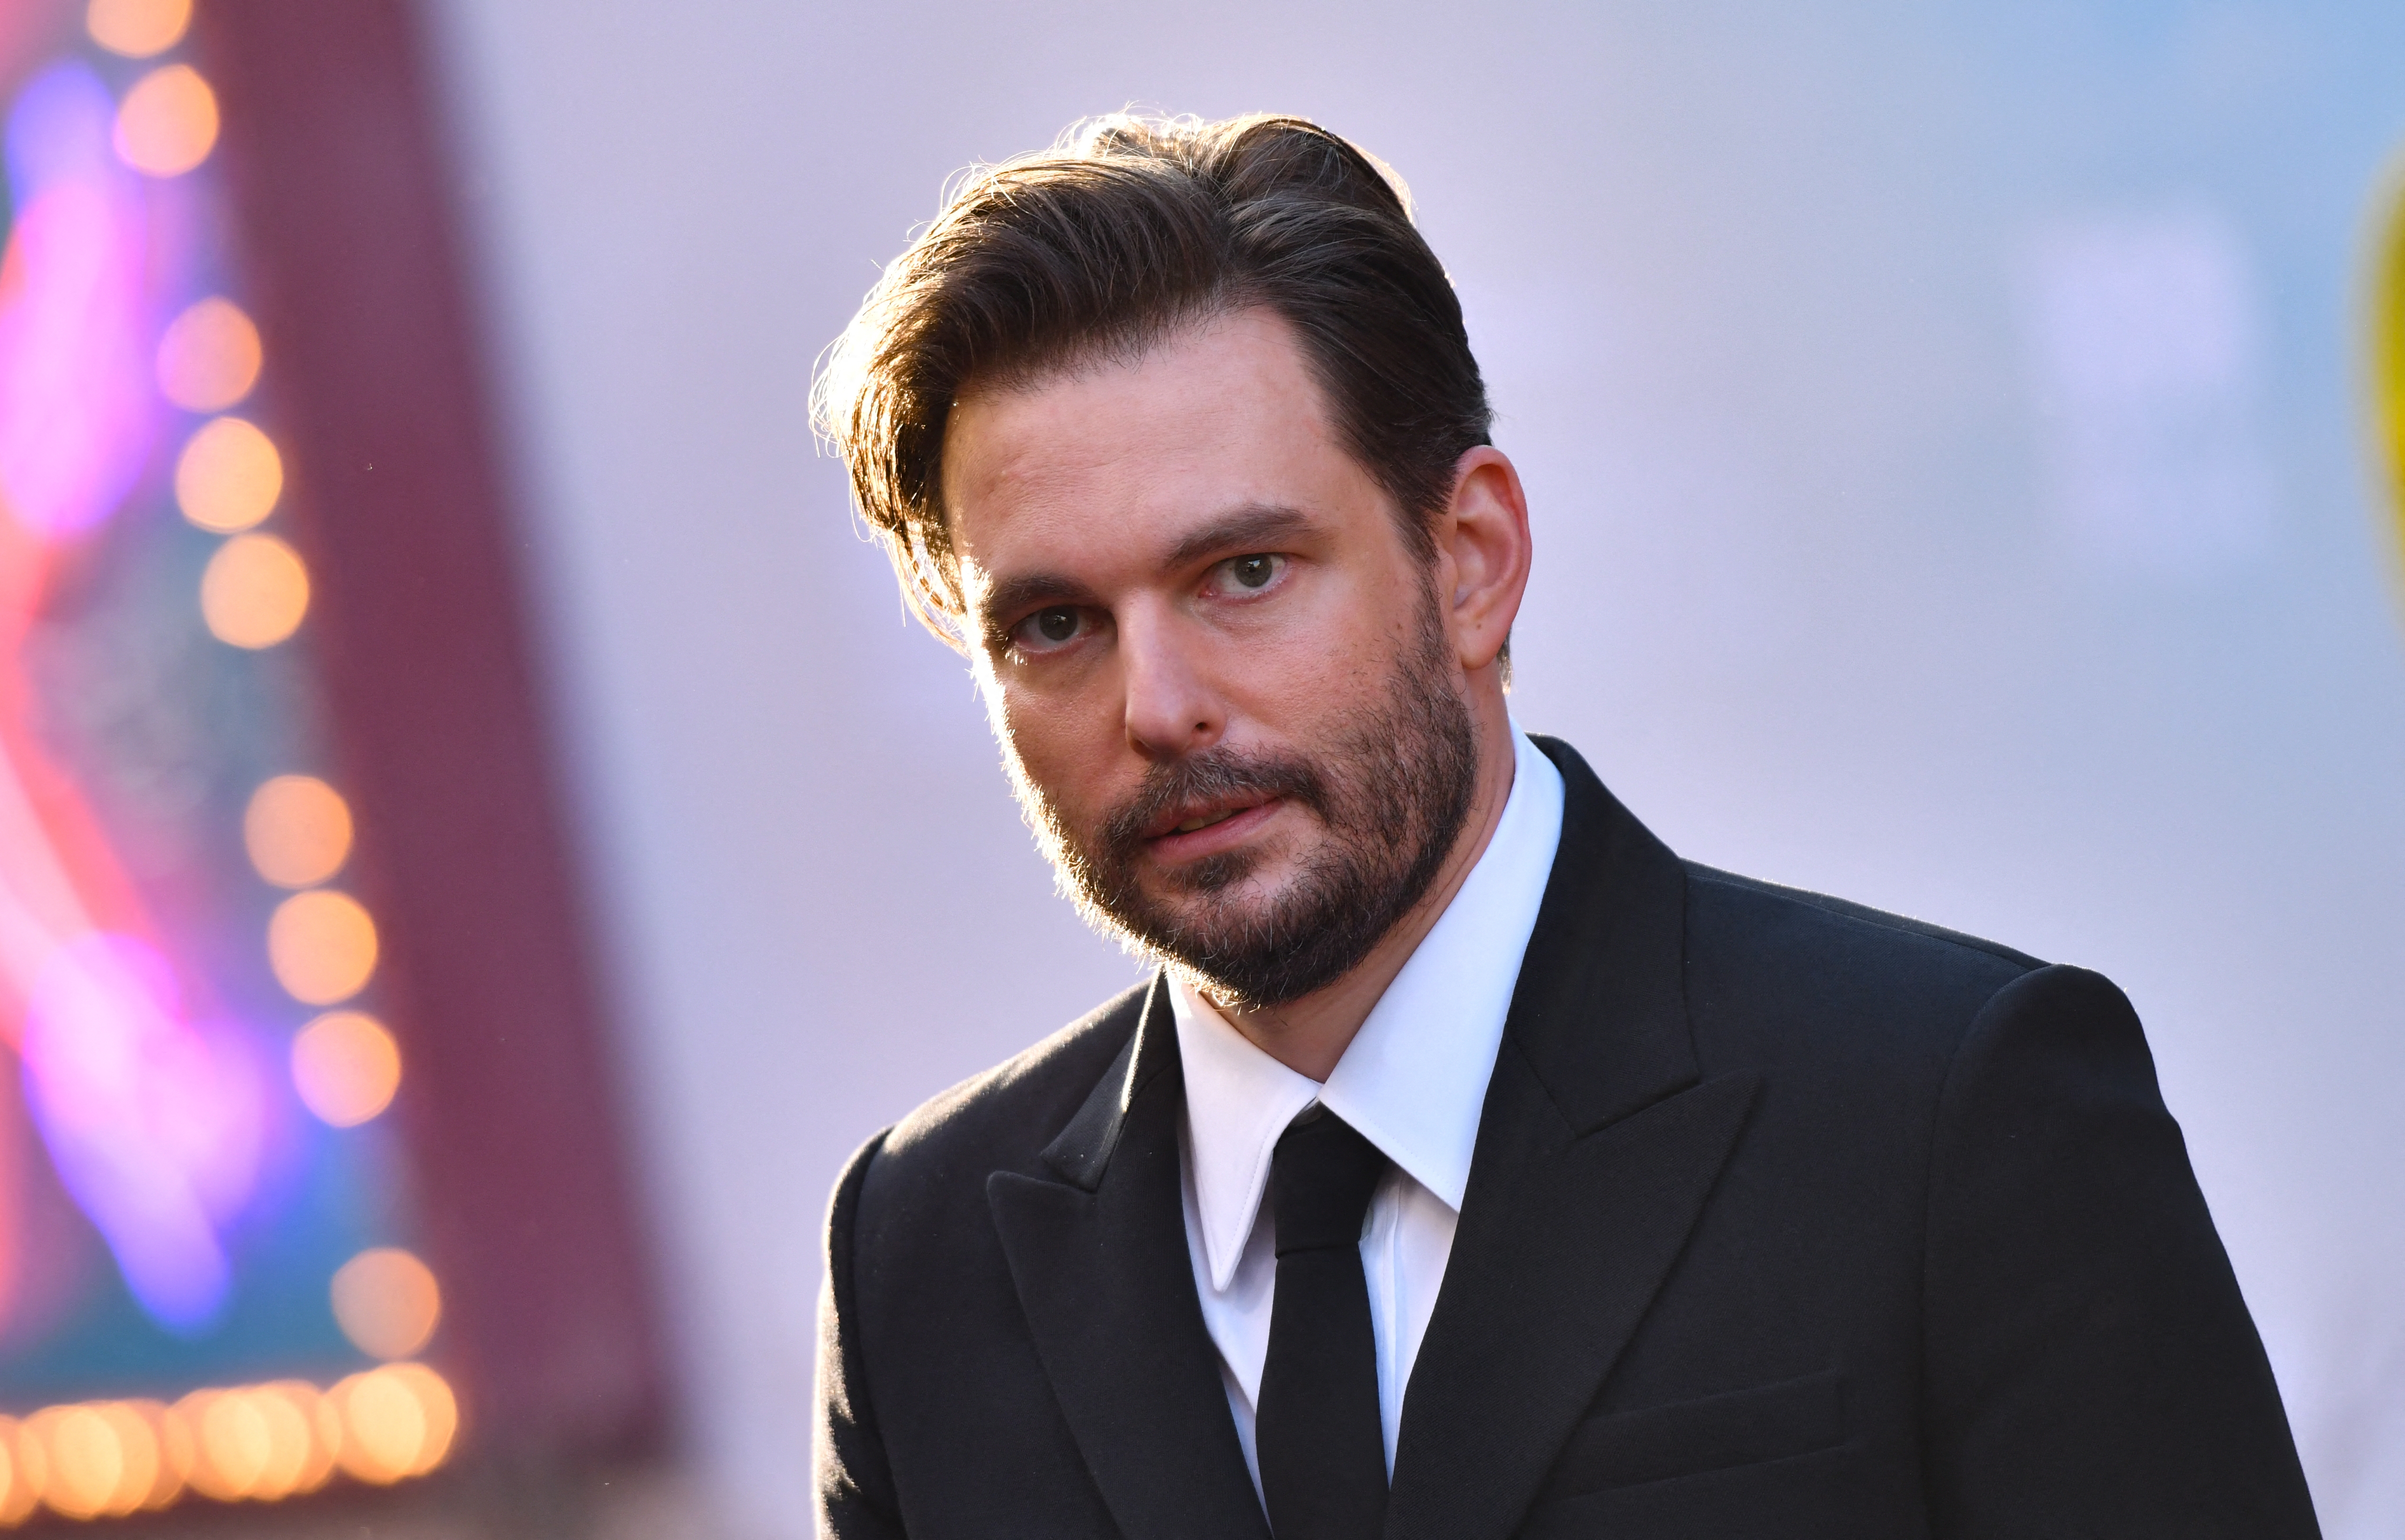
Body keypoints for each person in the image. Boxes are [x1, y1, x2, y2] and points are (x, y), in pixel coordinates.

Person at [807, 112, 2318, 1540]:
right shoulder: (915, 1258)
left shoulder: (1947, 1117)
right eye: (1055, 624)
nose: (1159, 705)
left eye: (1246, 573)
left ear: (1472, 559)